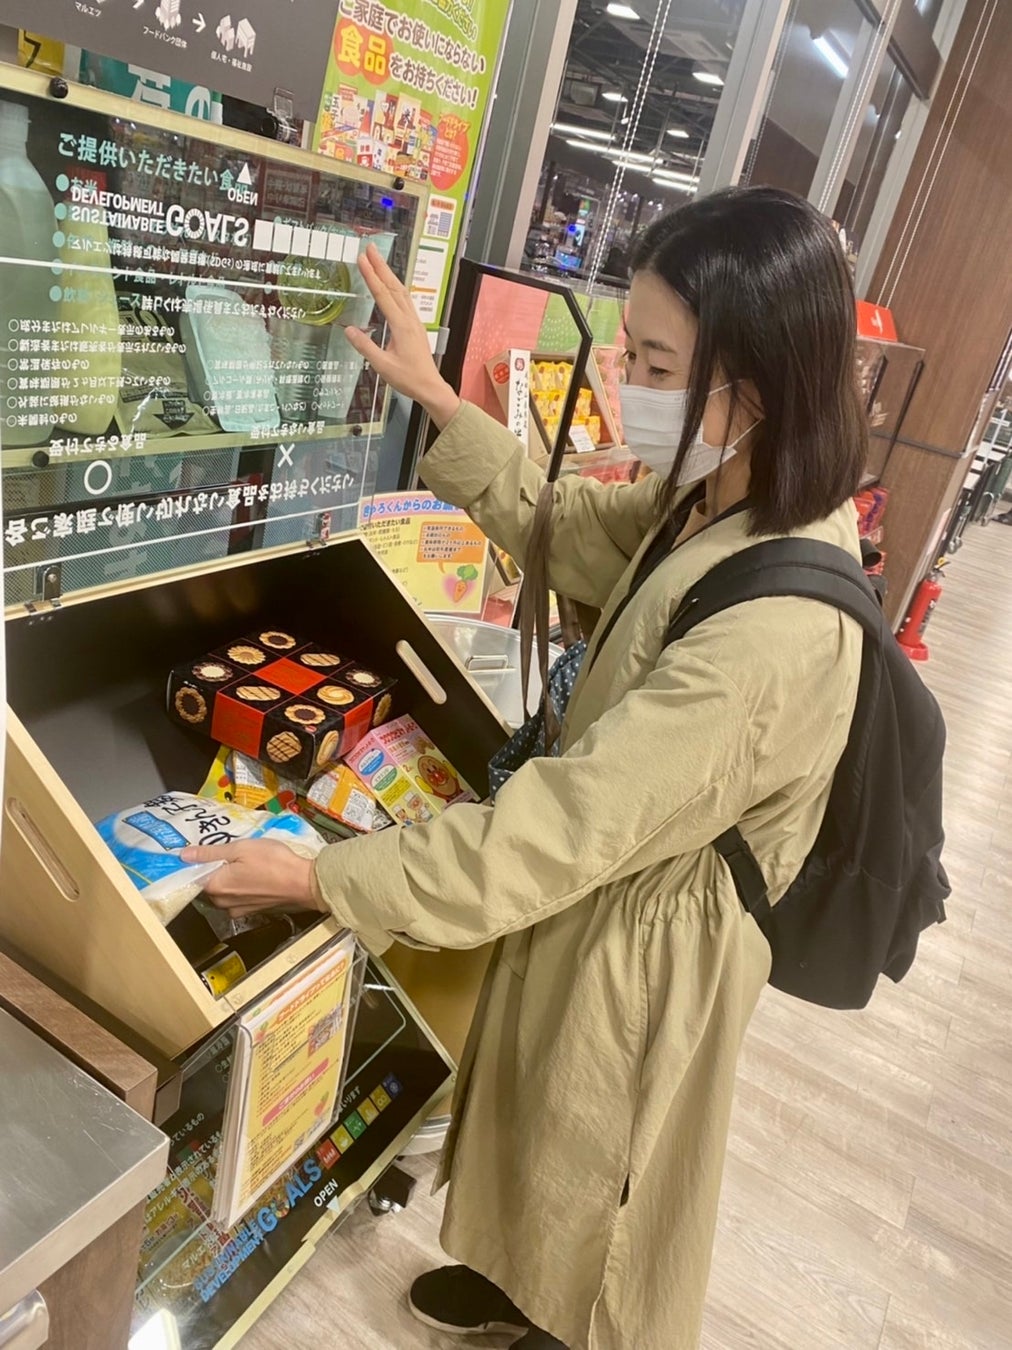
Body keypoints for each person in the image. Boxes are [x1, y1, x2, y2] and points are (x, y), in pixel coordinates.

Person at [186, 187, 867, 1349]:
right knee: (542, 1119)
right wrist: (438, 398)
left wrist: (321, 879)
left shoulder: (777, 628)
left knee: (600, 1157)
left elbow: (561, 829)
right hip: (608, 894)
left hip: (654, 937)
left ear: (754, 389)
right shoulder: (714, 497)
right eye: (629, 349)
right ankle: (517, 1283)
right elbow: (564, 527)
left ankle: (567, 1326)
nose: (624, 382)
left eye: (655, 364)